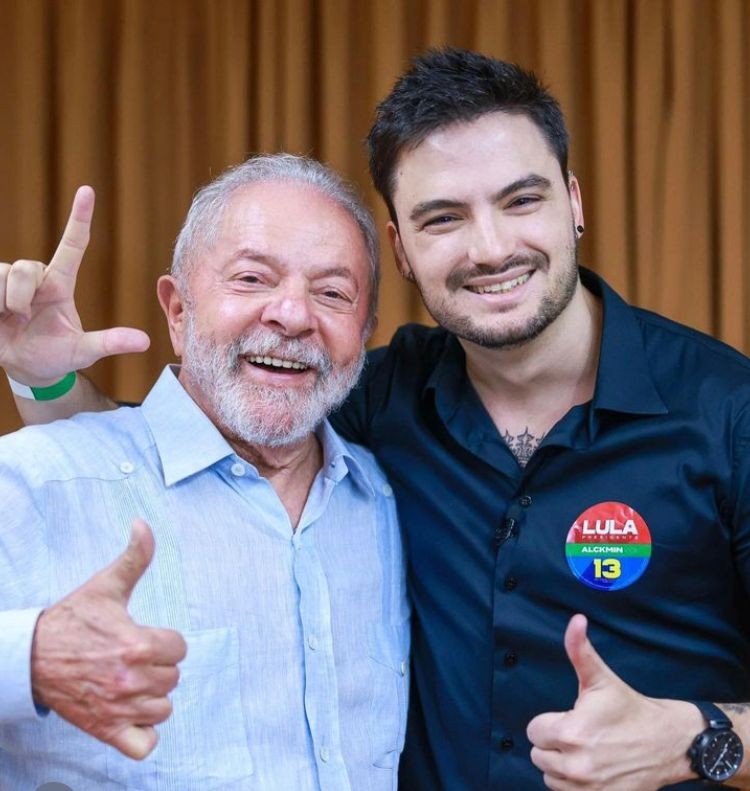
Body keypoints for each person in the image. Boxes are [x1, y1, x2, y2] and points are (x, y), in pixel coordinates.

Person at [3, 48, 750, 790]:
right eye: (443, 217)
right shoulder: (369, 398)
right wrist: (47, 377)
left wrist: (699, 737)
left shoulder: (729, 413)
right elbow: (164, 453)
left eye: (522, 200)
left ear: (575, 202)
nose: (490, 248)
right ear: (401, 249)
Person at [0, 154, 409, 790]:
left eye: (333, 293)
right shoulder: (39, 480)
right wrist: (28, 658)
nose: (293, 315)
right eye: (252, 278)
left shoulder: (384, 502)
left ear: (365, 332)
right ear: (178, 312)